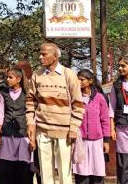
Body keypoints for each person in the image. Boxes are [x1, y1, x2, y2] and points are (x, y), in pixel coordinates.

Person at [26, 43, 84, 184]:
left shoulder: (68, 74)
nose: (40, 57)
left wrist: (73, 128)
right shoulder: (37, 75)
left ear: (55, 56)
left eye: (44, 54)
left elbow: (78, 104)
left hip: (64, 132)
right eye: (40, 54)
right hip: (42, 130)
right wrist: (30, 123)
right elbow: (30, 102)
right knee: (45, 172)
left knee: (65, 172)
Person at [72, 69, 110, 184]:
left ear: (90, 81)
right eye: (77, 79)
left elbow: (105, 120)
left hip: (97, 142)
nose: (79, 81)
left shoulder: (100, 98)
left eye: (82, 79)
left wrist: (106, 140)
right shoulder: (74, 98)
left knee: (97, 173)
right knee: (82, 174)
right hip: (80, 141)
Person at [0, 68, 32, 184]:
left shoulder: (27, 94)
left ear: (18, 79)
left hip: (23, 134)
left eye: (10, 77)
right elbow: (1, 113)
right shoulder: (3, 93)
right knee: (7, 167)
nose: (7, 79)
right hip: (7, 133)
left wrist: (32, 137)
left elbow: (31, 114)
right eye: (7, 77)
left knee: (23, 167)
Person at [109, 55, 128, 184]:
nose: (120, 68)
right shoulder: (116, 86)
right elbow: (111, 108)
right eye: (119, 66)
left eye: (123, 66)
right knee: (123, 165)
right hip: (122, 130)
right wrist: (112, 128)